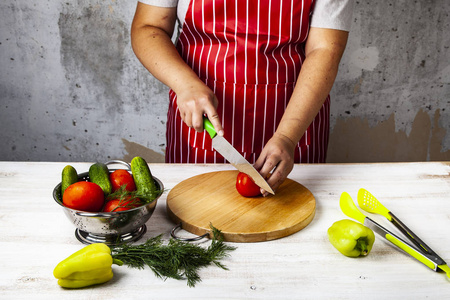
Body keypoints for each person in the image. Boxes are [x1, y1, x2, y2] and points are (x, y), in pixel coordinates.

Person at [131, 0, 353, 195]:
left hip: (294, 115)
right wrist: (184, 84)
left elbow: (324, 48)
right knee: (192, 209)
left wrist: (287, 136)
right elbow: (149, 26)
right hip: (202, 118)